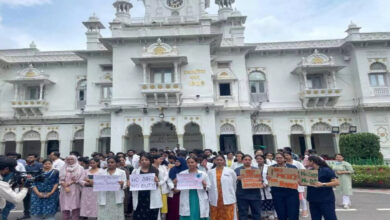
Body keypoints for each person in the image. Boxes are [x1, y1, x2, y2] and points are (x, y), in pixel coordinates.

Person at [306, 156, 339, 220]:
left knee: (330, 217)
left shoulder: (326, 170)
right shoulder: (309, 171)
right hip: (313, 199)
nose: (306, 162)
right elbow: (306, 183)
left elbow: (336, 182)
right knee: (315, 218)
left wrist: (322, 184)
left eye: (307, 160)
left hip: (325, 199)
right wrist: (300, 182)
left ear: (312, 161)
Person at [131, 154, 162, 220]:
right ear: (139, 162)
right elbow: (133, 183)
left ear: (150, 161)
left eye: (146, 160)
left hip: (152, 196)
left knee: (152, 216)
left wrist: (157, 182)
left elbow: (161, 182)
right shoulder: (135, 171)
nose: (144, 161)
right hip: (140, 197)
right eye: (142, 160)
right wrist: (130, 183)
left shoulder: (156, 170)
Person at [269, 153, 299, 220]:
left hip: (291, 193)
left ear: (284, 159)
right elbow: (270, 180)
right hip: (278, 194)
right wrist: (269, 177)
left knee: (293, 214)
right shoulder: (272, 168)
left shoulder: (292, 167)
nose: (278, 159)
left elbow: (298, 178)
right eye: (277, 158)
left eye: (280, 158)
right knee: (281, 214)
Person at [208, 155, 236, 220]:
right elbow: (208, 185)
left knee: (229, 214)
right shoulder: (210, 172)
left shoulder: (230, 171)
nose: (219, 161)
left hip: (228, 196)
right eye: (217, 160)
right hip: (215, 197)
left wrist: (231, 193)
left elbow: (234, 184)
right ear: (214, 161)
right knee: (215, 214)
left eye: (221, 160)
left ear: (224, 161)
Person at [235, 154, 262, 220]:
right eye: (245, 160)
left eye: (249, 160)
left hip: (255, 194)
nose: (247, 161)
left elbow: (261, 180)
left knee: (256, 212)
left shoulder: (256, 170)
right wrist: (237, 178)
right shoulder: (237, 170)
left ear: (251, 161)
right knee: (243, 213)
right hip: (242, 194)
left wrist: (260, 180)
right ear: (242, 161)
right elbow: (232, 180)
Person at [284, 151, 308, 217]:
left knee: (301, 197)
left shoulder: (297, 163)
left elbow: (303, 171)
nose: (286, 157)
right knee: (291, 199)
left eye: (287, 155)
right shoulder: (283, 164)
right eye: (284, 155)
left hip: (297, 183)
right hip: (287, 184)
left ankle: (305, 210)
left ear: (291, 156)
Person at [59, 155, 84, 220]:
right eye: (68, 159)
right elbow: (60, 179)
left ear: (75, 160)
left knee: (75, 205)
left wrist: (71, 182)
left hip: (75, 188)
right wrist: (65, 185)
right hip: (64, 188)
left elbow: (82, 178)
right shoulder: (63, 167)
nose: (70, 161)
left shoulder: (80, 168)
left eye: (72, 159)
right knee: (65, 205)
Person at [19, 154, 43, 220]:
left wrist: (34, 177)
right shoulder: (25, 166)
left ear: (35, 158)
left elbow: (42, 174)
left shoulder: (39, 165)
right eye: (28, 157)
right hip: (27, 184)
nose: (30, 158)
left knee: (37, 199)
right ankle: (26, 214)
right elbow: (23, 174)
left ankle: (39, 214)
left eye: (31, 157)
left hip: (36, 184)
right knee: (26, 199)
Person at [256, 155, 276, 220]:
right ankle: (264, 215)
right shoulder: (254, 168)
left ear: (264, 159)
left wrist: (267, 184)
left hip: (268, 187)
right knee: (261, 201)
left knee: (270, 200)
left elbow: (272, 177)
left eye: (260, 159)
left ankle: (271, 215)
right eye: (257, 159)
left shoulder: (268, 167)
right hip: (259, 188)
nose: (259, 160)